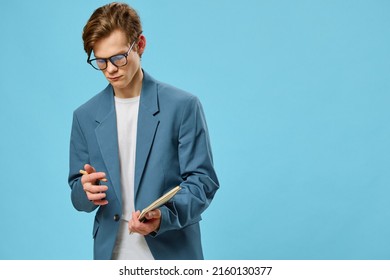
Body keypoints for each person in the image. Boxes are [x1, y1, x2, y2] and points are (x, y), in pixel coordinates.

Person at [68, 2, 219, 260]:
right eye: (101, 61)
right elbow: (76, 191)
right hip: (111, 255)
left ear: (140, 45)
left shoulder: (183, 106)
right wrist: (85, 190)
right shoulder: (84, 116)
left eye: (118, 57)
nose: (111, 69)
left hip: (173, 253)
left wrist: (164, 217)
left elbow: (203, 182)